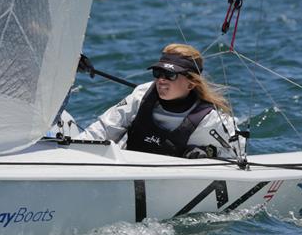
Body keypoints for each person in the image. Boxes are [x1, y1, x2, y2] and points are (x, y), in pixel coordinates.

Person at [78, 44, 243, 159]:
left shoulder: (209, 119)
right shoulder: (142, 95)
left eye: (170, 75)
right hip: (126, 171)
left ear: (191, 83)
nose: (161, 80)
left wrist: (207, 154)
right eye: (158, 73)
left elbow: (238, 152)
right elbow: (103, 129)